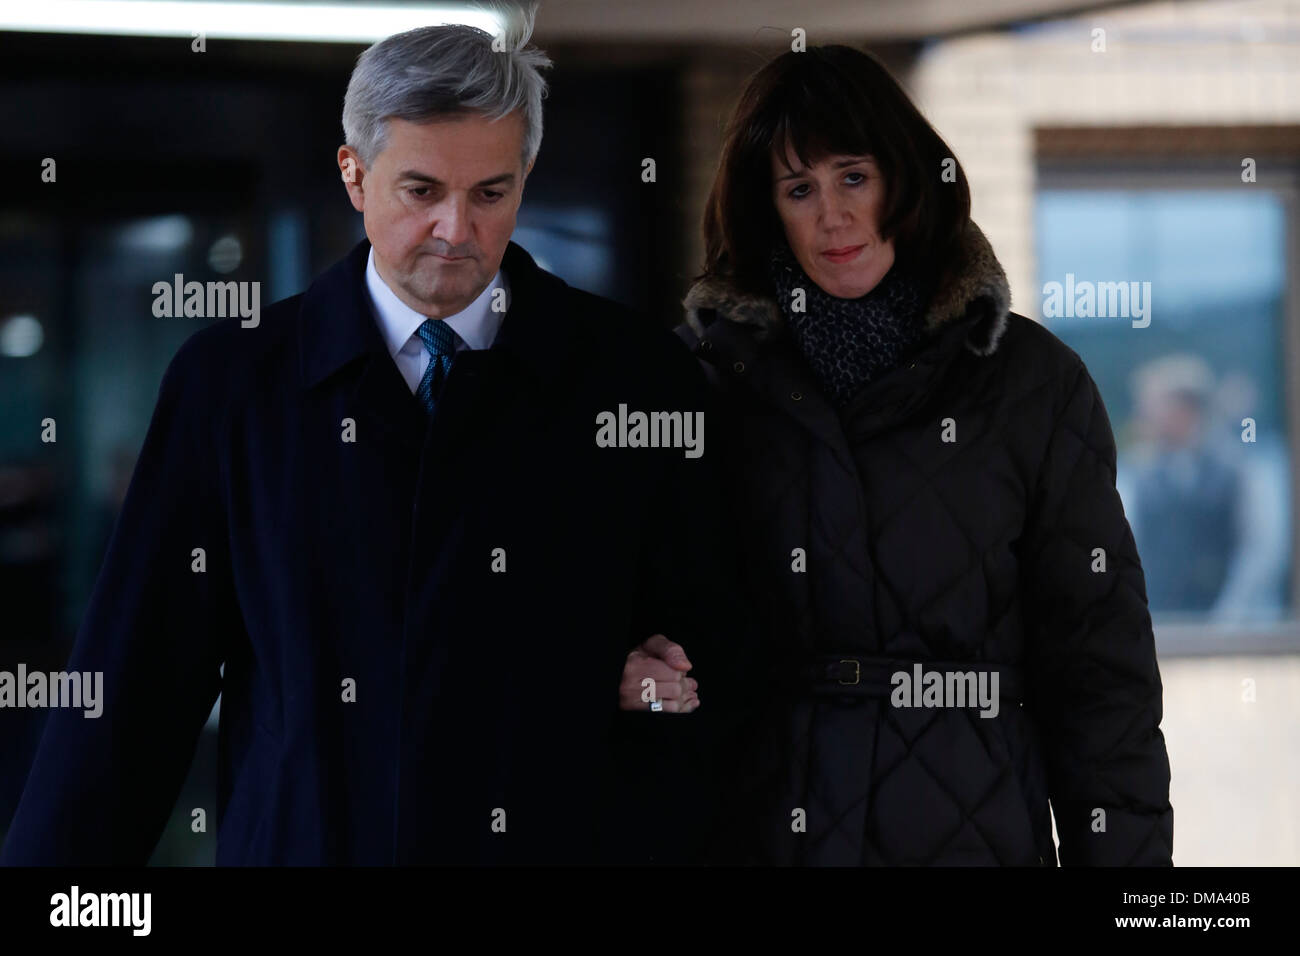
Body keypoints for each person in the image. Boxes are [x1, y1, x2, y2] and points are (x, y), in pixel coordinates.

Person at [1, 10, 729, 866]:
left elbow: (719, 642)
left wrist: (654, 677)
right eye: (421, 191)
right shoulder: (232, 387)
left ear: (524, 177)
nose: (457, 231)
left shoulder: (635, 379)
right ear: (354, 175)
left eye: (491, 193)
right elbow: (135, 682)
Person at [624, 44, 1174, 866]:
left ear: (907, 180)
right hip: (757, 827)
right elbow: (599, 595)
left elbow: (1100, 671)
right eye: (798, 188)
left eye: (853, 176)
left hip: (973, 836)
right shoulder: (695, 384)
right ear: (765, 207)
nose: (831, 215)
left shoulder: (1029, 383)